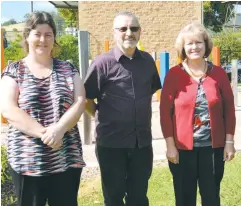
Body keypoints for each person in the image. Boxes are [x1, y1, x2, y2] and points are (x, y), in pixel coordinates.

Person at [0, 12, 86, 206]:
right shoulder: (14, 70)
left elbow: (79, 101)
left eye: (48, 34)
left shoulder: (68, 69)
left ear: (54, 38)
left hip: (66, 158)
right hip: (27, 161)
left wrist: (59, 129)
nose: (42, 39)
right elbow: (8, 109)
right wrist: (46, 134)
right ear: (27, 37)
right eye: (37, 33)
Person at [84, 11, 161, 206]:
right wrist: (101, 115)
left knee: (139, 198)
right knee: (113, 199)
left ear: (140, 32)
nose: (129, 33)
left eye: (134, 28)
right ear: (114, 32)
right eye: (123, 28)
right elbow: (86, 98)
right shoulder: (102, 63)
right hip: (111, 145)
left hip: (141, 144)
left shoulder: (148, 62)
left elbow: (149, 94)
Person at [160, 21, 236, 206]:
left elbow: (229, 110)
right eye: (189, 43)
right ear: (183, 48)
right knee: (184, 198)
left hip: (213, 149)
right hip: (182, 150)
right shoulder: (173, 75)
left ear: (206, 45)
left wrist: (229, 143)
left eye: (199, 42)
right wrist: (170, 145)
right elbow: (164, 113)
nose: (194, 47)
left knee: (211, 197)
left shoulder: (218, 74)